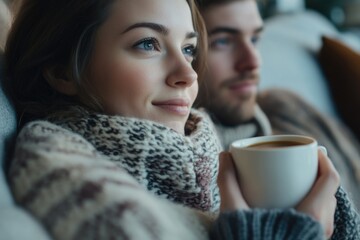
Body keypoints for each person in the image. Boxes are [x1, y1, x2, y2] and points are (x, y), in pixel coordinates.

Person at [2, 0, 350, 239]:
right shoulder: (60, 166)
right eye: (147, 44)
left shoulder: (209, 152)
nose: (188, 74)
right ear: (62, 71)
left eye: (189, 49)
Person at [194, 0, 360, 238]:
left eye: (254, 39)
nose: (252, 62)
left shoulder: (289, 110)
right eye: (222, 41)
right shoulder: (191, 173)